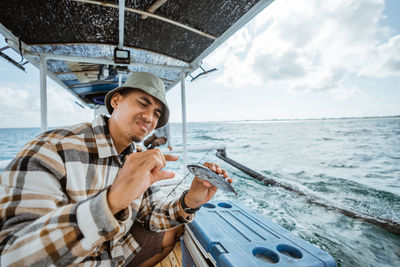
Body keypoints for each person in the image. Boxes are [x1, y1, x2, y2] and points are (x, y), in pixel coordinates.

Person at [0, 72, 229, 266]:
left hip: (116, 255)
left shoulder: (135, 156)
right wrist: (109, 204)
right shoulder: (52, 148)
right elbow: (11, 255)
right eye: (143, 103)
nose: (150, 117)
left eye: (157, 114)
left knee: (174, 231)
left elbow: (151, 215)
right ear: (116, 101)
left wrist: (191, 200)